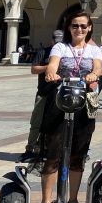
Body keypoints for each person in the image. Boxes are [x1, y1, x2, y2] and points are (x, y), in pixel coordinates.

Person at [34, 10, 102, 203]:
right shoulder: (61, 47)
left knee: (77, 154)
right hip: (59, 102)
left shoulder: (94, 50)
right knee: (53, 153)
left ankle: (73, 200)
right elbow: (53, 64)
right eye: (75, 26)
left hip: (83, 105)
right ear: (69, 28)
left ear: (89, 28)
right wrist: (51, 72)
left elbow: (98, 69)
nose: (79, 29)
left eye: (83, 26)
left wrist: (93, 74)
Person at [19, 29, 63, 163]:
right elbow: (34, 69)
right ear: (52, 40)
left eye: (60, 42)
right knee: (36, 122)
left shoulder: (66, 53)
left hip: (59, 93)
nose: (58, 44)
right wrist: (49, 67)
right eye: (56, 41)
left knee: (57, 123)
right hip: (44, 92)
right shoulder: (43, 52)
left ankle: (52, 150)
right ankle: (30, 149)